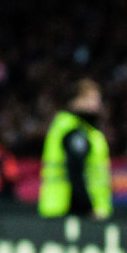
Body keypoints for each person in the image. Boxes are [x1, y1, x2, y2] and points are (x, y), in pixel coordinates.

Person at [39, 79, 111, 219]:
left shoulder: (75, 128)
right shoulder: (74, 131)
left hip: (62, 208)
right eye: (91, 99)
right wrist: (88, 207)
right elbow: (75, 172)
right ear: (76, 100)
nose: (97, 104)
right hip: (70, 210)